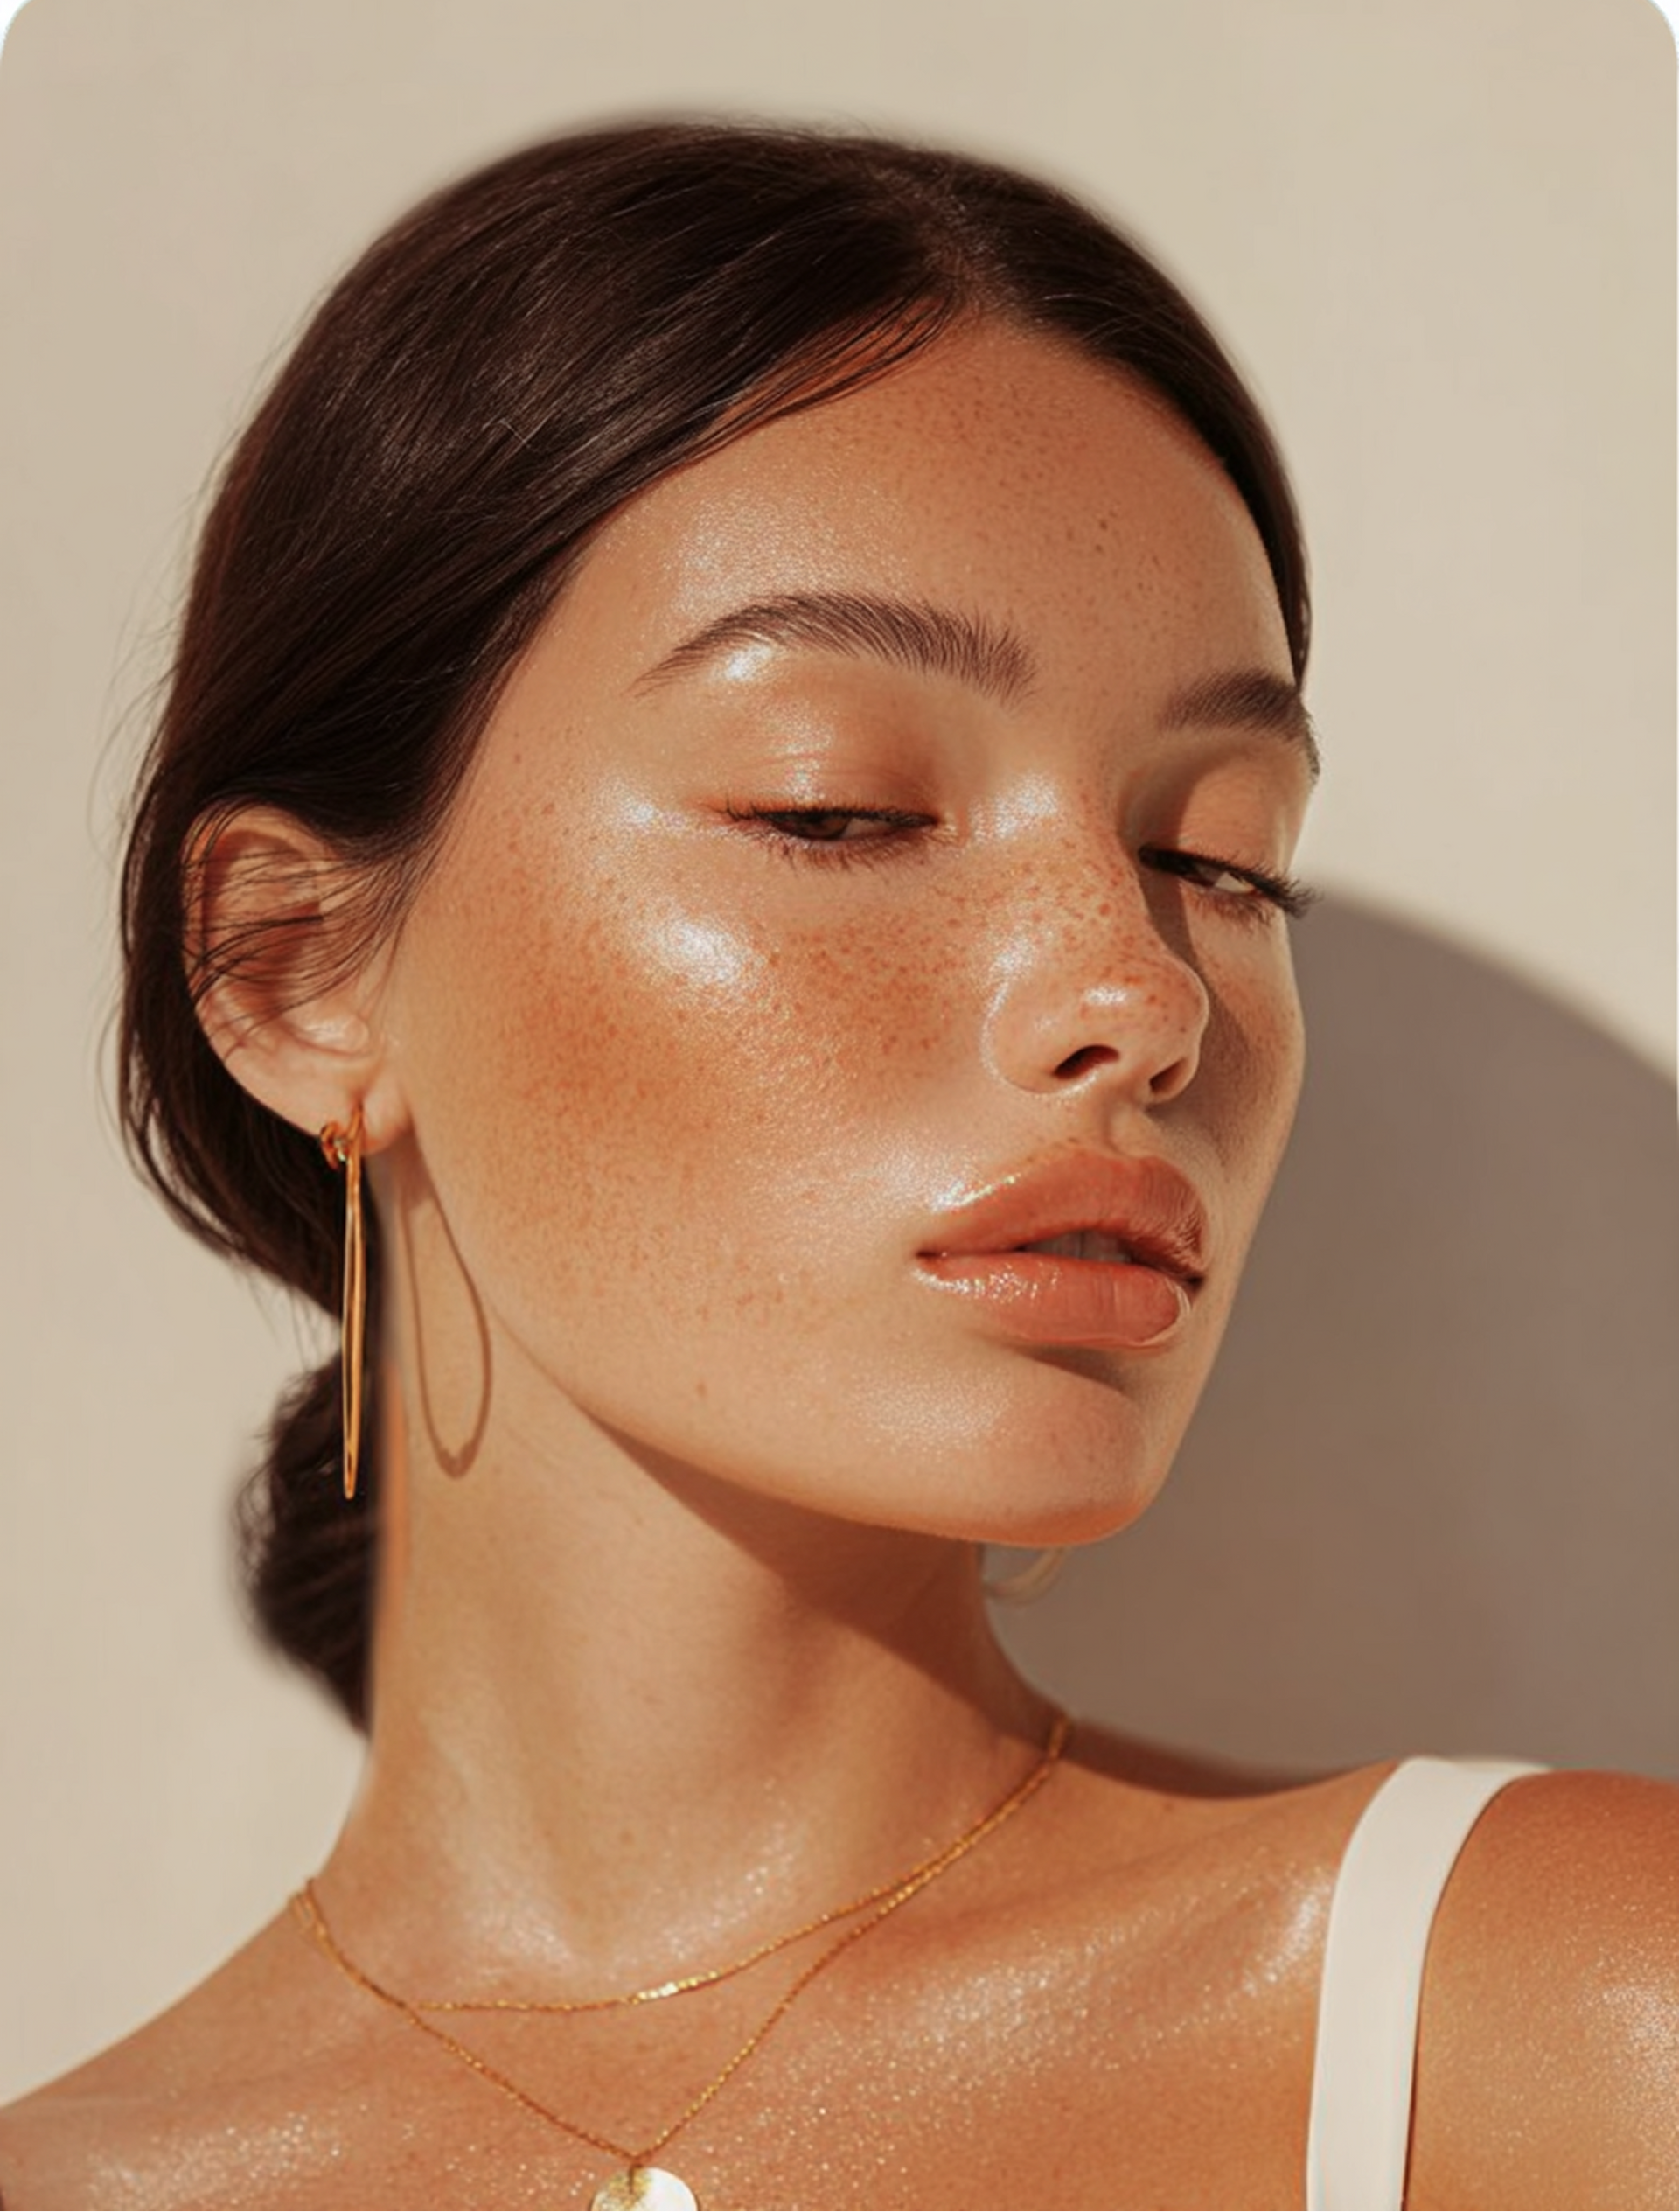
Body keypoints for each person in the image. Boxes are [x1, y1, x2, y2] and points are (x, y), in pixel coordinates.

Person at [1, 118, 1673, 2212]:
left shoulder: (1564, 2036)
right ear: (294, 970)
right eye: (839, 809)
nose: (1134, 994)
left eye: (1218, 857)